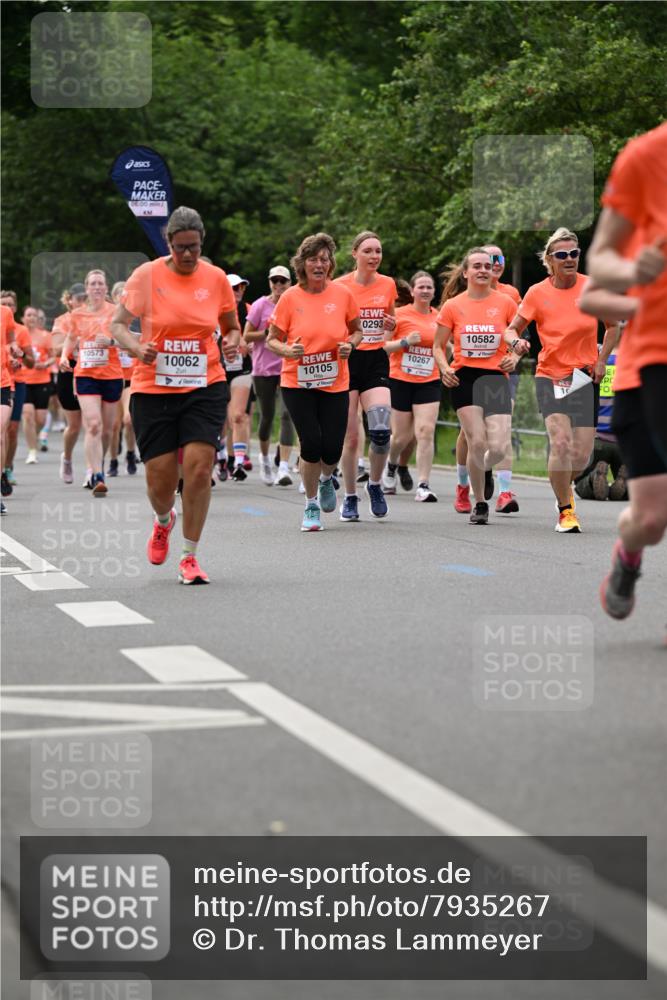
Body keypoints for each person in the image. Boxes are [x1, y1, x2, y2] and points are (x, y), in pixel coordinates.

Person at [111, 205, 240, 584]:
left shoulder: (215, 278)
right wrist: (137, 348)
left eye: (194, 247)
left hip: (205, 384)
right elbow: (118, 325)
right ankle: (164, 520)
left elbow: (231, 327)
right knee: (161, 481)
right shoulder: (146, 275)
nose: (187, 255)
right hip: (154, 388)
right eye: (181, 247)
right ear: (168, 243)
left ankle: (189, 556)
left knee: (200, 469)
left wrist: (231, 343)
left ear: (202, 243)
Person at [580, 122, 667, 619]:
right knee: (651, 519)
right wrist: (636, 276)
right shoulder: (644, 156)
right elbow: (600, 262)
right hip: (651, 361)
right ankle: (628, 556)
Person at [505, 227, 618, 533]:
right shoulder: (537, 293)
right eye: (562, 255)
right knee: (561, 443)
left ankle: (560, 488)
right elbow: (511, 329)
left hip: (583, 375)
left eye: (574, 254)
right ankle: (566, 511)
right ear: (550, 260)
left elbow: (612, 327)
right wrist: (516, 344)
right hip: (549, 374)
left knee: (582, 455)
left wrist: (602, 360)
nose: (570, 259)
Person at [267, 232, 362, 531]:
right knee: (311, 442)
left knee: (332, 447)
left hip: (334, 380)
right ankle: (310, 506)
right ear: (302, 264)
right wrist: (288, 350)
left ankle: (325, 480)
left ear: (331, 263)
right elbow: (272, 340)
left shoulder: (343, 294)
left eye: (324, 259)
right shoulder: (290, 297)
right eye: (313, 259)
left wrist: (351, 345)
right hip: (298, 381)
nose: (319, 264)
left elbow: (356, 330)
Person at [434, 248, 526, 525]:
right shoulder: (453, 306)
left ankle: (482, 469)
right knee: (477, 440)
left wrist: (515, 356)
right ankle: (480, 503)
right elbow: (437, 345)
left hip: (496, 377)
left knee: (497, 448)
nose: (483, 270)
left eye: (488, 265)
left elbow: (517, 341)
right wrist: (444, 367)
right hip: (465, 377)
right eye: (477, 266)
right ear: (466, 273)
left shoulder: (506, 303)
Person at [335, 231, 397, 521]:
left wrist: (390, 327)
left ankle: (374, 484)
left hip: (375, 360)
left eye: (379, 251)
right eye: (369, 251)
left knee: (382, 429)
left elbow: (389, 322)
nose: (375, 256)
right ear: (355, 254)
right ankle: (349, 496)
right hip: (348, 361)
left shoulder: (388, 284)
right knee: (349, 437)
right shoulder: (339, 286)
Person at [382, 271, 441, 501]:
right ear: (413, 291)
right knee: (401, 437)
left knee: (425, 432)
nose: (425, 291)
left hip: (429, 380)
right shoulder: (399, 315)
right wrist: (405, 342)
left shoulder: (440, 317)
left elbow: (447, 345)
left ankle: (423, 485)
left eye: (429, 287)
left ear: (434, 292)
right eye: (421, 287)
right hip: (400, 380)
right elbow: (383, 346)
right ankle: (391, 464)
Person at [243, 265, 296, 486]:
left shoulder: (295, 304)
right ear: (269, 283)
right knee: (266, 416)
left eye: (282, 281)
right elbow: (246, 335)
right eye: (274, 281)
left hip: (288, 367)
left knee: (287, 415)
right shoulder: (259, 305)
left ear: (289, 283)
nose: (278, 286)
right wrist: (267, 333)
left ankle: (283, 467)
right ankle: (264, 459)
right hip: (264, 367)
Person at [573, 343, 627, 501]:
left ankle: (592, 478)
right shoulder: (636, 356)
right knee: (636, 487)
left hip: (595, 439)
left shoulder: (591, 353)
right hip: (625, 441)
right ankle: (626, 481)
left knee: (581, 484)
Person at [52, 283, 86, 484]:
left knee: (94, 424)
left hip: (93, 370)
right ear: (69, 300)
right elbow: (56, 348)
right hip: (69, 369)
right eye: (78, 298)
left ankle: (94, 471)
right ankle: (67, 458)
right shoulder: (62, 321)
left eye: (85, 298)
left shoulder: (95, 318)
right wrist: (74, 342)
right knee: (74, 426)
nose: (82, 302)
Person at [221, 274, 254, 481]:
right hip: (217, 369)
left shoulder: (249, 310)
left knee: (238, 415)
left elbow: (263, 333)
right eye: (234, 288)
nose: (238, 291)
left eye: (241, 287)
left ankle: (238, 462)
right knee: (221, 419)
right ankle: (223, 455)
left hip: (243, 368)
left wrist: (252, 344)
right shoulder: (215, 310)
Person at [0, 291, 34, 492]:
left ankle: (4, 471)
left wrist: (15, 352)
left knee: (5, 432)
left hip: (5, 382)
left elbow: (11, 341)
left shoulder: (5, 314)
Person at [107, 281, 139, 477]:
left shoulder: (136, 319)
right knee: (114, 424)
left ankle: (129, 452)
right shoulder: (107, 320)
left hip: (131, 378)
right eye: (118, 294)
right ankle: (112, 460)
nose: (122, 297)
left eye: (125, 293)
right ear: (113, 298)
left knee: (128, 420)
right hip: (111, 376)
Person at [21, 305, 53, 465]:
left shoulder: (45, 336)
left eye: (34, 315)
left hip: (42, 381)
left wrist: (46, 363)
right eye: (28, 315)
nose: (31, 318)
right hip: (24, 380)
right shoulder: (18, 334)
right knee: (28, 415)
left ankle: (35, 436)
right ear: (23, 318)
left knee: (40, 418)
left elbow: (54, 356)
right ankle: (32, 451)